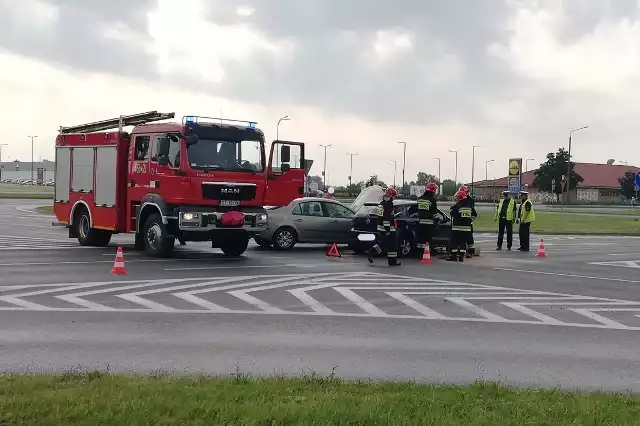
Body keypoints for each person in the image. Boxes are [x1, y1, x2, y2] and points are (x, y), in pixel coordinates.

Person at [366, 187, 401, 266]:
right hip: (388, 228)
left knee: (390, 245)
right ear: (391, 196)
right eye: (394, 196)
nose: (394, 198)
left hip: (381, 227)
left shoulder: (382, 203)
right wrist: (388, 230)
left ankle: (392, 261)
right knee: (386, 244)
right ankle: (371, 252)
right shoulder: (388, 204)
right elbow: (386, 218)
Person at [448, 190, 476, 262]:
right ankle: (461, 256)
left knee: (454, 241)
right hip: (467, 228)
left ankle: (454, 256)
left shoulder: (458, 205)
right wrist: (470, 220)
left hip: (457, 228)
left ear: (459, 198)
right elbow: (474, 214)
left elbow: (453, 213)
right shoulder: (469, 205)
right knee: (463, 242)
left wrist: (451, 209)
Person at [417, 183, 439, 259]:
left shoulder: (420, 199)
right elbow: (434, 213)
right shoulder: (432, 200)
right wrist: (437, 220)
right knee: (427, 240)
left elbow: (418, 210)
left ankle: (419, 254)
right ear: (433, 191)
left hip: (420, 223)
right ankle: (426, 254)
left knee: (421, 239)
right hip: (429, 223)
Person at [459, 186, 477, 258]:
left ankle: (470, 252)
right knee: (461, 238)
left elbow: (472, 212)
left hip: (467, 222)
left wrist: (470, 220)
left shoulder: (470, 201)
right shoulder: (459, 199)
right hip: (461, 222)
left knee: (469, 237)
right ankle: (462, 251)